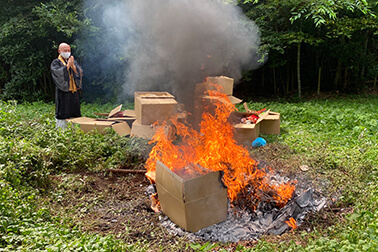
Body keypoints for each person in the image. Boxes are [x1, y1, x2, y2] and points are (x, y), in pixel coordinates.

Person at [50, 42, 83, 129]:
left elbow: (79, 73)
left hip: (73, 91)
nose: (67, 52)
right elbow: (57, 73)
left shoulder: (73, 61)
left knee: (74, 112)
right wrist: (67, 66)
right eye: (65, 50)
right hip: (63, 91)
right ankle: (61, 132)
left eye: (69, 50)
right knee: (63, 112)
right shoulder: (56, 62)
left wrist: (73, 66)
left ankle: (74, 131)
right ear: (59, 51)